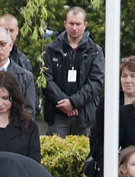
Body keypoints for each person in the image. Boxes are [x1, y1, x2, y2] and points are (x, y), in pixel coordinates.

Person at [87, 56, 135, 177]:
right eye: (124, 76)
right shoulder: (108, 101)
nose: (128, 80)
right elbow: (97, 137)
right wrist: (108, 162)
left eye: (133, 76)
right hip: (111, 170)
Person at [42, 6, 105, 137]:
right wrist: (63, 102)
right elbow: (45, 79)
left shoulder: (95, 51)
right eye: (71, 23)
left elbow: (95, 82)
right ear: (65, 24)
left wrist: (73, 102)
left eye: (78, 24)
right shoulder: (51, 49)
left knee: (86, 155)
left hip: (85, 114)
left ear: (85, 25)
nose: (74, 28)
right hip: (57, 114)